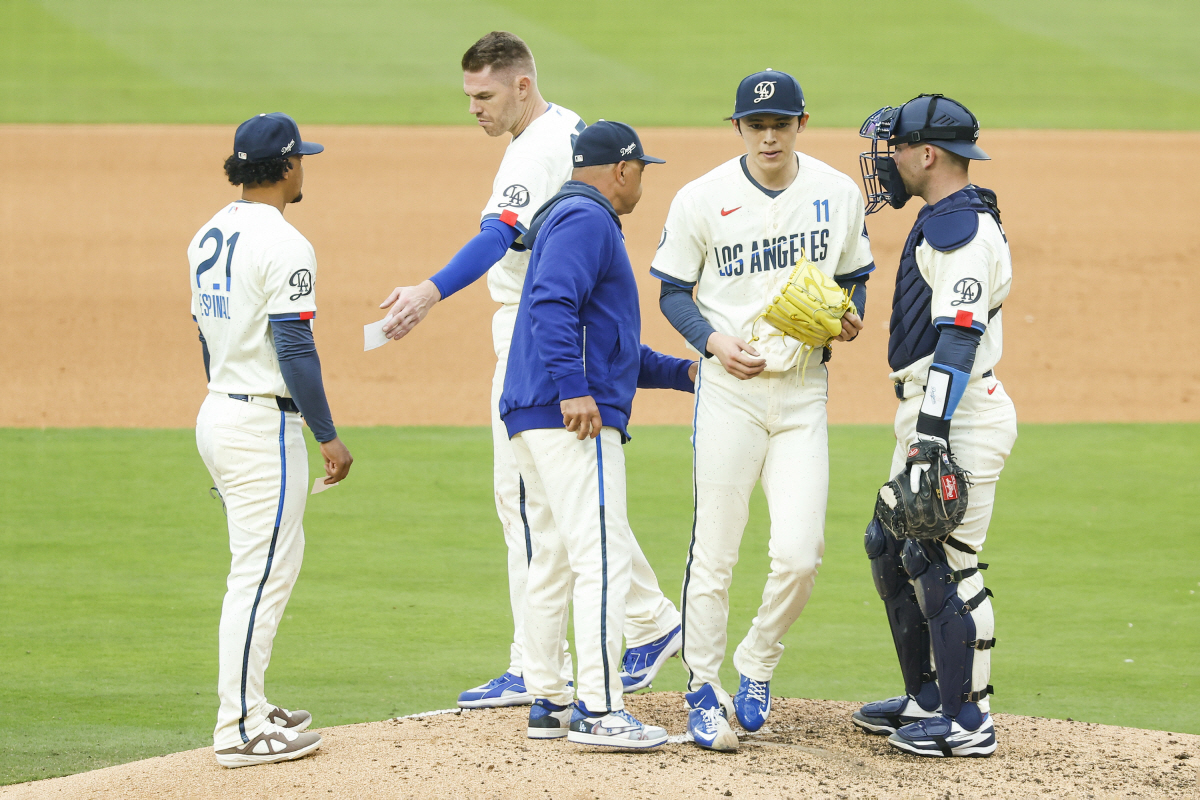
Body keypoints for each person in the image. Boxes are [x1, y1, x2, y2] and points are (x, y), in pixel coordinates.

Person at [377, 31, 682, 708]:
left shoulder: (537, 149)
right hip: (560, 332)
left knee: (529, 504)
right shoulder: (568, 128)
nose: (474, 109)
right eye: (467, 97)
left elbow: (496, 236)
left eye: (484, 95)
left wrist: (429, 291)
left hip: (535, 335)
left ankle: (539, 666)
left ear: (521, 84)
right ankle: (647, 621)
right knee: (567, 504)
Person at [651, 70, 875, 752]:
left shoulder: (837, 193)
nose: (769, 134)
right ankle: (700, 686)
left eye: (781, 122)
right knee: (714, 553)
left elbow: (855, 276)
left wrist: (849, 317)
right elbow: (671, 291)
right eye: (757, 124)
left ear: (802, 122)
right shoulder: (702, 198)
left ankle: (756, 662)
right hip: (730, 394)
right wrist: (712, 341)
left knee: (800, 553)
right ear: (738, 128)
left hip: (804, 393)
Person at [498, 120, 695, 747]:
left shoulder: (567, 218)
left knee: (553, 556)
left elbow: (610, 346)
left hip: (534, 413)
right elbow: (552, 305)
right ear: (621, 169)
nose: (642, 182)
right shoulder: (588, 220)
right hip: (570, 417)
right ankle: (601, 707)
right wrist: (574, 389)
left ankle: (549, 699)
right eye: (641, 170)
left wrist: (686, 373)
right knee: (601, 555)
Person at [852, 94, 1015, 758]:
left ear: (928, 154)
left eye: (894, 150)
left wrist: (931, 434)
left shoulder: (963, 233)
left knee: (945, 562)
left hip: (958, 417)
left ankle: (969, 722)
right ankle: (926, 697)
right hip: (931, 414)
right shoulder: (943, 220)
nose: (885, 163)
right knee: (890, 546)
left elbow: (958, 341)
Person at [190, 112, 353, 767]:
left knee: (270, 567)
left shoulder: (209, 233)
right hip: (261, 425)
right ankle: (237, 729)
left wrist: (229, 407)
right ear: (286, 167)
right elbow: (294, 345)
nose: (304, 167)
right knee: (258, 577)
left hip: (221, 412)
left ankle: (253, 705)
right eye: (301, 159)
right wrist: (329, 435)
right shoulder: (287, 243)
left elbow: (204, 333)